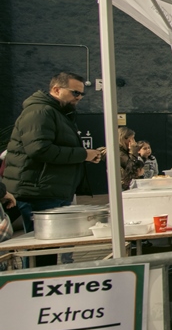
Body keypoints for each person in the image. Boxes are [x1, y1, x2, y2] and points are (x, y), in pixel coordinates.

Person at [2, 72, 104, 235]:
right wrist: (83, 154)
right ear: (56, 90)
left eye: (82, 94)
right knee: (42, 249)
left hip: (46, 190)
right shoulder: (41, 112)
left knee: (48, 248)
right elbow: (39, 149)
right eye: (75, 92)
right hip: (37, 193)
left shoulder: (57, 113)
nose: (79, 97)